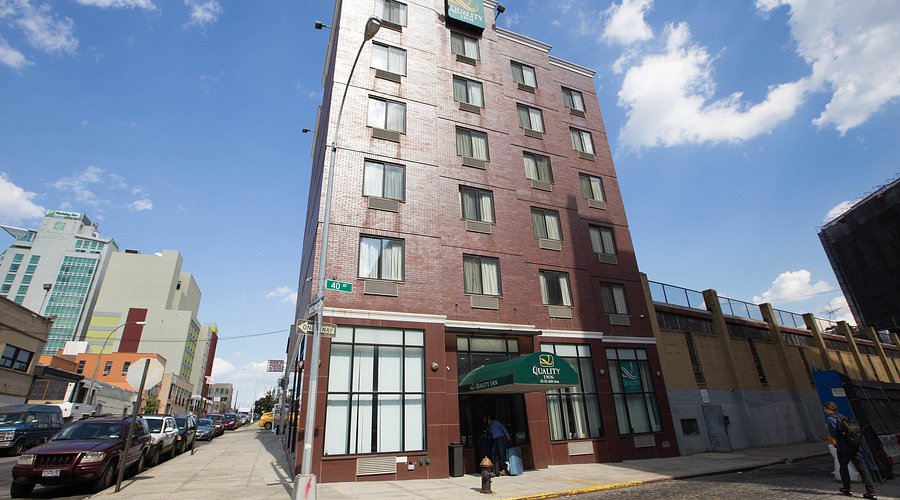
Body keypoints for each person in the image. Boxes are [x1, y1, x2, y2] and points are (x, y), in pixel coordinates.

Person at [824, 402, 877, 499]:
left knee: (843, 468)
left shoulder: (830, 419)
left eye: (825, 409)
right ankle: (871, 491)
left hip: (843, 448)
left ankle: (847, 488)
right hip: (854, 445)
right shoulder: (843, 417)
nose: (824, 411)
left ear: (828, 409)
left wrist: (828, 430)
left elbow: (834, 434)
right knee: (862, 469)